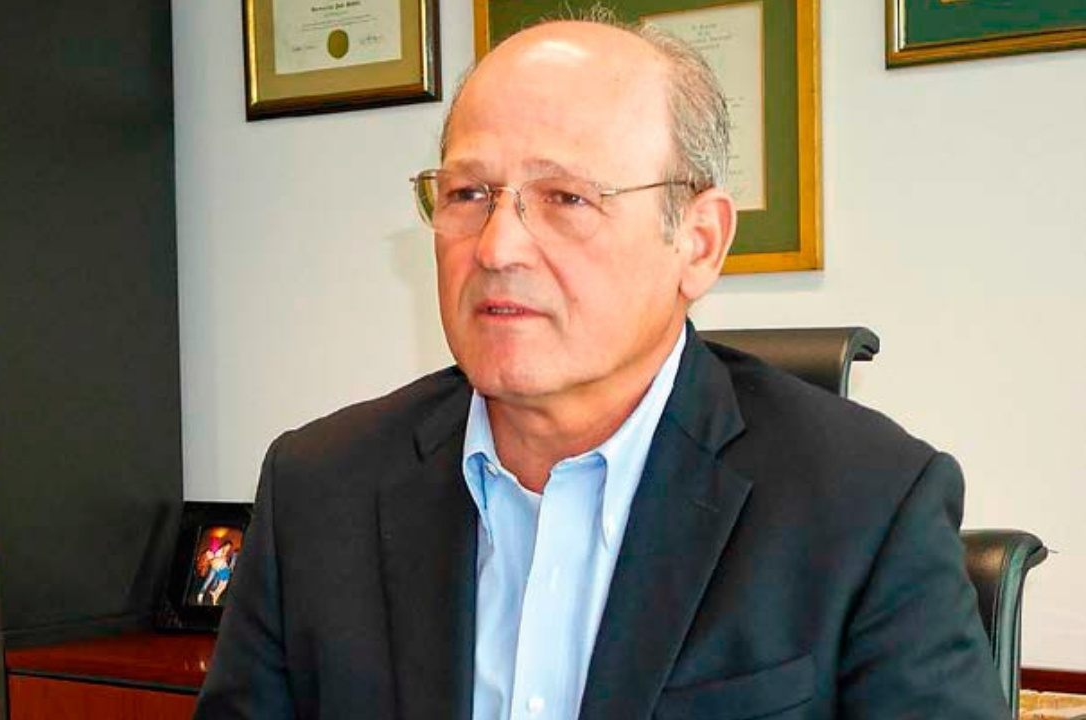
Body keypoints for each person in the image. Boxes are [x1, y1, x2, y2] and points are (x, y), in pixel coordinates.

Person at [194, 15, 1009, 720]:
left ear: (698, 243)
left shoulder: (866, 505)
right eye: (469, 194)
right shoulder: (318, 488)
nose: (498, 248)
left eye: (566, 199)